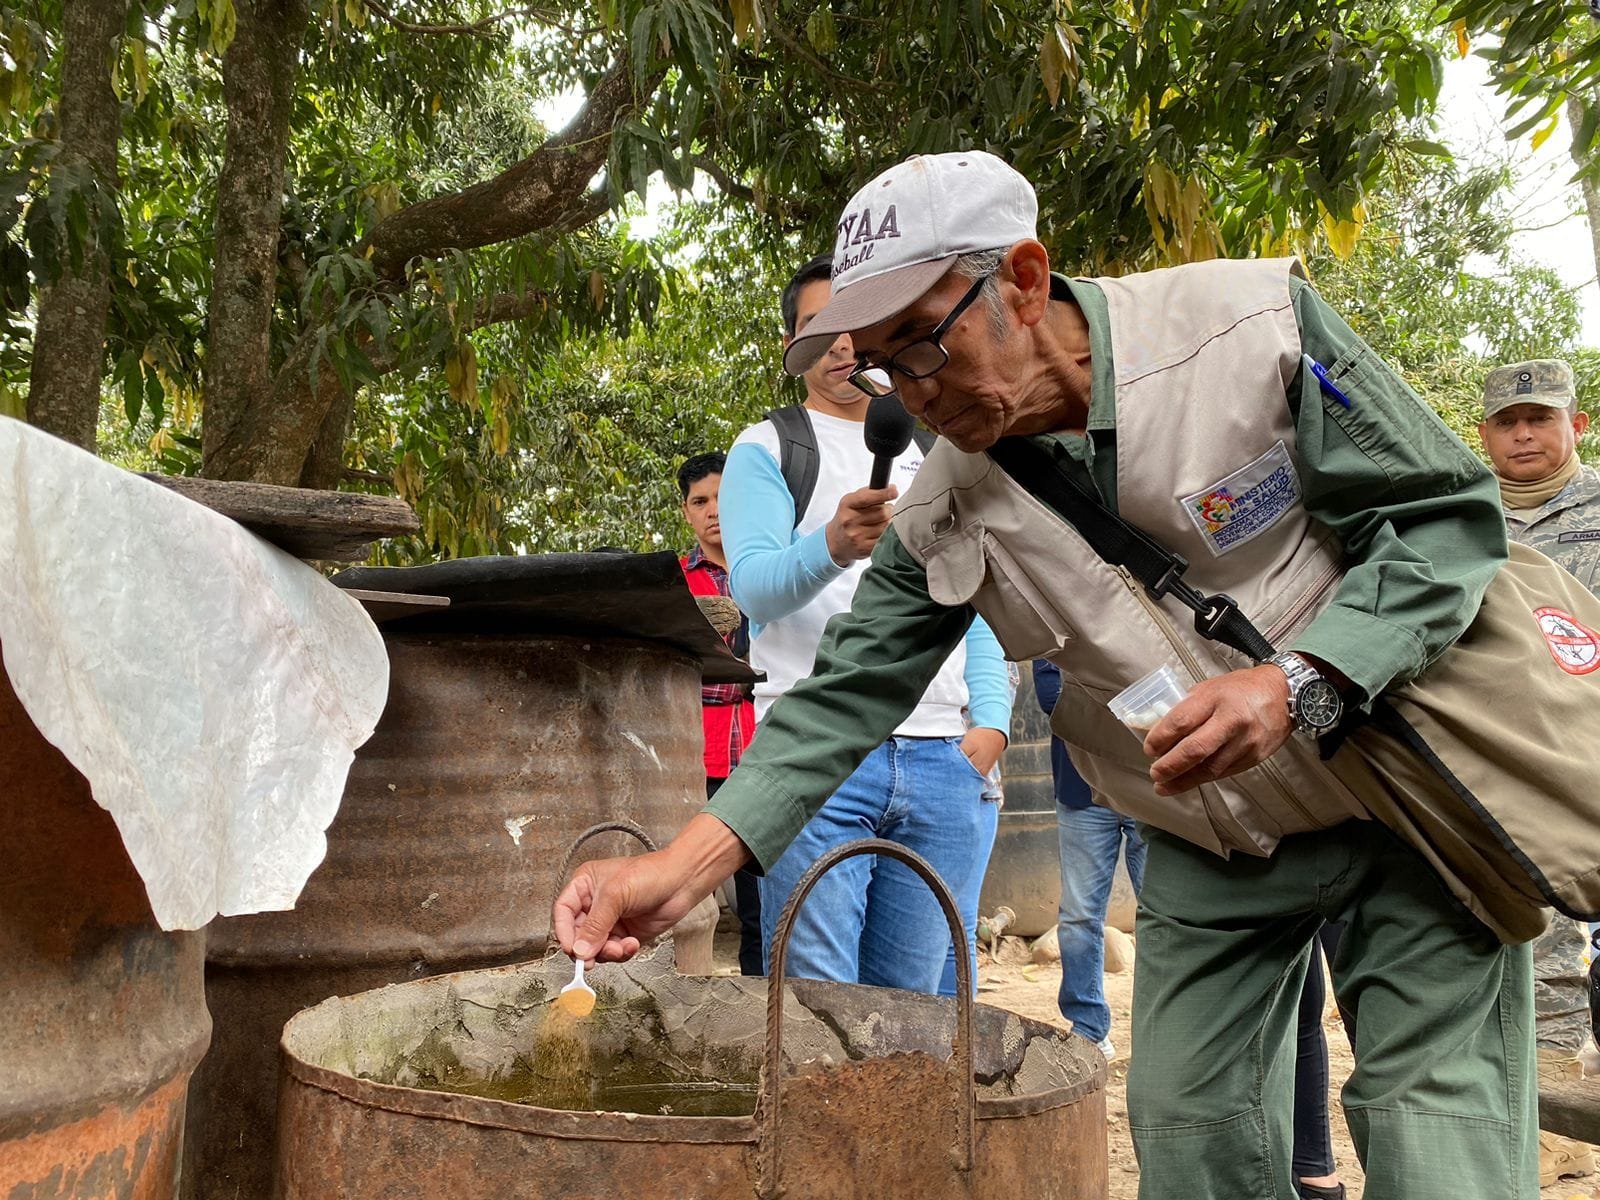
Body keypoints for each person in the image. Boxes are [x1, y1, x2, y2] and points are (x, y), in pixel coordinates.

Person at [556, 151, 1544, 1200]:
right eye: (886, 368)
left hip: (1399, 797)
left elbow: (1445, 522)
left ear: (1023, 280)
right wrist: (682, 868)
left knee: (1439, 1145)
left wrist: (1301, 679)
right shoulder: (942, 509)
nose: (919, 398)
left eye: (928, 343)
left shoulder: (1249, 329)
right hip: (1208, 844)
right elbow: (842, 698)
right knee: (1186, 1134)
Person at [715, 252, 1011, 998]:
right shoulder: (768, 447)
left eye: (857, 323)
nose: (843, 344)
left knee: (919, 1013)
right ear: (793, 348)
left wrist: (993, 723)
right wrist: (832, 546)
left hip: (945, 755)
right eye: (820, 327)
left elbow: (969, 591)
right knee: (820, 1006)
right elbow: (752, 591)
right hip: (817, 756)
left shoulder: (929, 444)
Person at [1478, 359, 1598, 1185]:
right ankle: (1540, 1124)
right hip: (1498, 759)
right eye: (1508, 421)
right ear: (1485, 434)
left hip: (1591, 753)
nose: (1524, 434)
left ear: (1575, 425)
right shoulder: (1463, 515)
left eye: (1540, 418)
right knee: (1523, 928)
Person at [1032, 657, 1145, 1061]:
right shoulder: (1054, 626)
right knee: (1079, 915)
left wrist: (1091, 696)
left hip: (1151, 789)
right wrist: (1130, 695)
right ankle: (1088, 1029)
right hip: (1082, 791)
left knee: (1161, 916)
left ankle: (1159, 1028)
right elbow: (1053, 698)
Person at [676, 452, 760, 975]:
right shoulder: (677, 581)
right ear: (686, 513)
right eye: (699, 501)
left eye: (722, 498)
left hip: (762, 753)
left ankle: (764, 999)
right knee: (688, 892)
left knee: (763, 897)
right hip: (697, 755)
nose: (713, 511)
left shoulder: (770, 572)